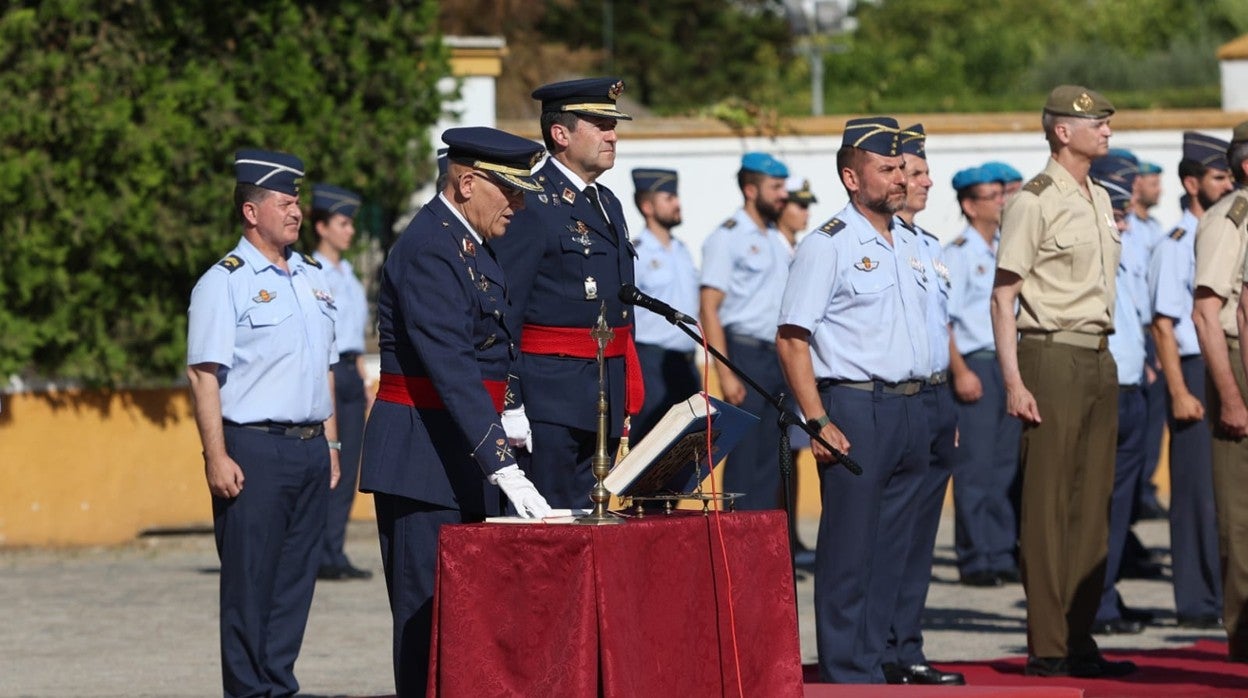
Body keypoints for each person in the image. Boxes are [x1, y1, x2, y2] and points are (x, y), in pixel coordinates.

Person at [358, 126, 553, 698]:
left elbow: (493, 345)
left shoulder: (465, 242)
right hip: (425, 458)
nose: (518, 205)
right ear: (468, 183)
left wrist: (510, 412)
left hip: (458, 449)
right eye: (510, 191)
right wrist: (502, 462)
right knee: (429, 619)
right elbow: (451, 364)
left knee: (470, 620)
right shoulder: (428, 250)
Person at [776, 116, 930, 683]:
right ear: (850, 176)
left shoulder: (910, 242)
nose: (898, 178)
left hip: (912, 406)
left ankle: (876, 660)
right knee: (849, 552)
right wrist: (816, 420)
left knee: (894, 550)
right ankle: (847, 672)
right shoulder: (829, 245)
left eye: (900, 169)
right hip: (856, 407)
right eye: (885, 169)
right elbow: (793, 339)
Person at [186, 148, 342, 698]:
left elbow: (322, 366)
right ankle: (249, 691)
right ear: (252, 212)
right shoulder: (223, 283)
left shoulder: (309, 276)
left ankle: (279, 686)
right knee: (250, 587)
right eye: (284, 202)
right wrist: (215, 455)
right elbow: (204, 374)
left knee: (295, 584)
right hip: (252, 449)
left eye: (297, 200)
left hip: (307, 449)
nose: (296, 210)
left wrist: (331, 442)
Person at [991, 85, 1134, 678]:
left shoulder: (1098, 195)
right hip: (1050, 356)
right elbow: (1004, 297)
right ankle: (1049, 643)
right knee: (1048, 505)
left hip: (1099, 355)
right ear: (1061, 131)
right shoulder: (1035, 200)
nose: (1105, 130)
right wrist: (1013, 380)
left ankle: (1080, 637)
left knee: (1092, 505)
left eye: (1105, 121)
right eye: (1095, 122)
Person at [489, 77, 639, 509]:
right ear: (561, 134)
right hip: (549, 401)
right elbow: (504, 309)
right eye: (599, 124)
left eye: (613, 125)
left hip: (600, 394)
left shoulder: (607, 202)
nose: (612, 135)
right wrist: (510, 401)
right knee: (551, 531)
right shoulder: (530, 202)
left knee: (594, 526)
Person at [883, 123, 965, 686]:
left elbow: (941, 328)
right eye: (914, 172)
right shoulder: (871, 241)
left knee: (920, 538)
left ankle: (907, 643)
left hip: (934, 399)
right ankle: (880, 647)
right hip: (888, 404)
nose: (925, 181)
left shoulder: (929, 247)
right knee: (887, 535)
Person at [1149, 130, 1234, 630]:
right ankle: (1198, 599)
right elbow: (1164, 326)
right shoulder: (1178, 243)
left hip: (1222, 363)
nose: (1228, 184)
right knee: (1197, 492)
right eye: (1219, 176)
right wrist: (1179, 390)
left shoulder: (1222, 232)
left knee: (1224, 490)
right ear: (1193, 183)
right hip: (1193, 370)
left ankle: (1224, 591)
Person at [944, 165, 1021, 588]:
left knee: (1003, 464)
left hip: (1003, 363)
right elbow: (945, 321)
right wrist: (960, 370)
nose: (1002, 202)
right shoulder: (957, 253)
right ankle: (976, 557)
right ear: (971, 206)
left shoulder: (1000, 249)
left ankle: (1000, 549)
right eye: (993, 196)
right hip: (975, 363)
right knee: (975, 466)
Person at [700, 151, 791, 510]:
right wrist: (727, 371)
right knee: (746, 457)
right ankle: (736, 553)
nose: (783, 194)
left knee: (771, 457)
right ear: (751, 190)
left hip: (776, 356)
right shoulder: (729, 236)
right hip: (745, 355)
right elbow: (709, 306)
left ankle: (761, 550)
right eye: (776, 187)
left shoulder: (775, 236)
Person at [1088, 154, 1149, 636]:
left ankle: (1107, 592)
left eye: (1127, 213)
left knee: (1120, 506)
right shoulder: (1087, 257)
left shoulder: (1124, 258)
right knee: (1093, 505)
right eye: (1117, 211)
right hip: (1099, 391)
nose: (1124, 221)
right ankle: (1095, 604)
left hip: (1132, 391)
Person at [1197, 119, 1248, 664]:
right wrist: (1231, 396)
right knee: (1241, 511)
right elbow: (1207, 312)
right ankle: (1244, 630)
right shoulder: (1228, 220)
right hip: (1237, 358)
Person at [307, 183, 374, 582]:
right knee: (328, 464)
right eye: (342, 223)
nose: (349, 231)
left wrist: (365, 378)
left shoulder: (347, 273)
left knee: (348, 469)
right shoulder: (312, 273)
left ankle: (335, 548)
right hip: (327, 372)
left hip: (351, 371)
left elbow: (353, 333)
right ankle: (320, 552)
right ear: (322, 227)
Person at [629, 168, 700, 444]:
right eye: (669, 198)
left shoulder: (682, 250)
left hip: (685, 362)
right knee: (649, 444)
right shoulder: (638, 252)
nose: (677, 203)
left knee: (687, 447)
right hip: (651, 362)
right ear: (648, 206)